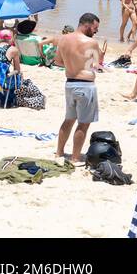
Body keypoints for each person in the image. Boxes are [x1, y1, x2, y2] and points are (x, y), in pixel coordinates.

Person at [57, 13, 102, 164]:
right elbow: (96, 65)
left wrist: (74, 64)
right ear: (87, 25)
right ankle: (75, 157)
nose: (96, 31)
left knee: (68, 120)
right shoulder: (91, 42)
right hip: (85, 85)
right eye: (95, 28)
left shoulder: (63, 39)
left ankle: (59, 152)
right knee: (83, 123)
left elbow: (58, 61)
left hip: (69, 83)